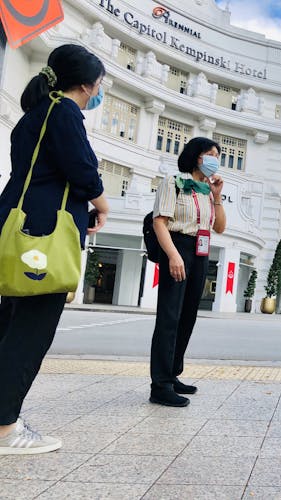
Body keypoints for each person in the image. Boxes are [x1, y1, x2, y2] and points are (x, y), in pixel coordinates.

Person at [0, 44, 109, 454]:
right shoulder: (64, 113)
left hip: (20, 226)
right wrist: (102, 204)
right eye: (99, 84)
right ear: (86, 84)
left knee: (10, 326)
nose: (99, 91)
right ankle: (5, 428)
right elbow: (81, 169)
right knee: (30, 333)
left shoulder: (32, 117)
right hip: (44, 236)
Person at [149, 137, 226, 407]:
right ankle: (160, 385)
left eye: (218, 154)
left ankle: (173, 374)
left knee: (187, 316)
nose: (215, 158)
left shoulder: (206, 191)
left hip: (201, 252)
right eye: (210, 153)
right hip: (178, 246)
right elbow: (160, 222)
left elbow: (220, 228)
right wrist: (172, 255)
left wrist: (216, 197)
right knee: (169, 316)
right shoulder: (173, 183)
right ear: (195, 156)